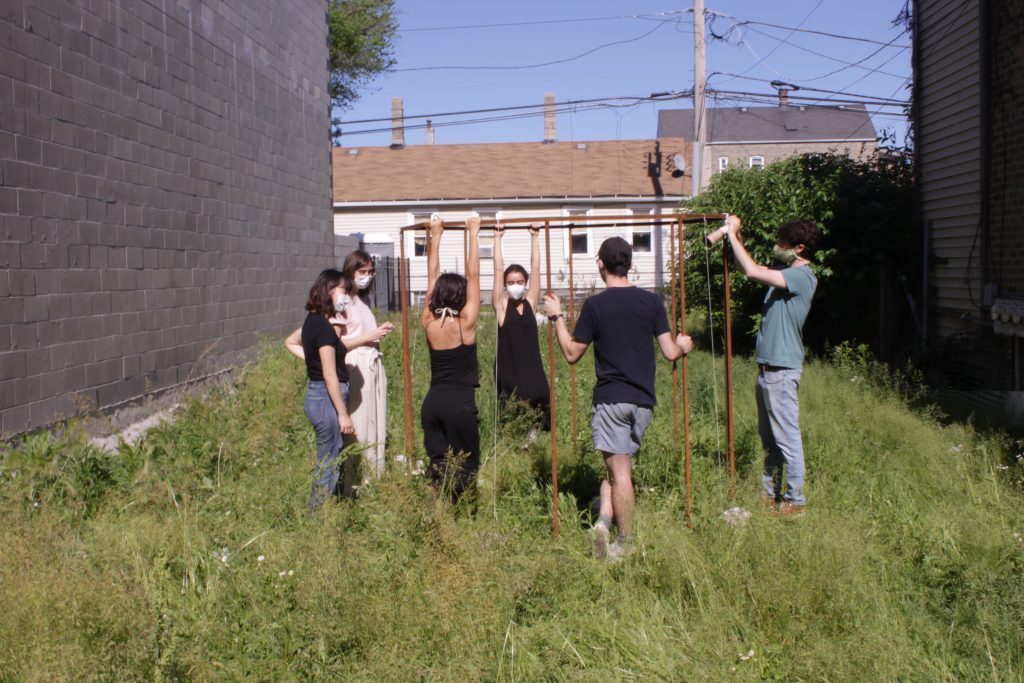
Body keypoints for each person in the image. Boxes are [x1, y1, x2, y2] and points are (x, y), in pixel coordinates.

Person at [544, 237, 693, 560]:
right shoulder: (652, 302)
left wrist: (556, 318)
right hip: (642, 402)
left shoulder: (596, 306)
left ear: (601, 264)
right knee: (616, 467)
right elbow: (670, 352)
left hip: (612, 400)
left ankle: (624, 544)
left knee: (620, 472)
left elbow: (571, 354)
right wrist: (683, 344)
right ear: (629, 264)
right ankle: (602, 522)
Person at [717, 214, 820, 516]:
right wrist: (732, 238)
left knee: (787, 437)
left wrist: (733, 233)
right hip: (768, 369)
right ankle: (769, 493)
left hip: (781, 370)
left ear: (799, 248)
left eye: (782, 243)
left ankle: (795, 501)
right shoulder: (785, 271)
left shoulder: (802, 276)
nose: (777, 247)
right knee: (770, 437)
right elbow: (749, 267)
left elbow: (750, 271)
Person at [284, 270, 392, 508]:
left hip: (318, 395)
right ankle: (318, 515)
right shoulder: (324, 328)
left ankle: (323, 510)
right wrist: (343, 413)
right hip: (325, 399)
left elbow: (291, 342)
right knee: (328, 465)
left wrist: (313, 360)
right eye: (343, 291)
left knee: (330, 459)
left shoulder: (312, 320)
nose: (346, 296)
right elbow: (330, 374)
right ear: (329, 291)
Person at [420, 213, 482, 503]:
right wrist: (473, 232)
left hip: (433, 403)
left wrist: (436, 235)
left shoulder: (429, 322)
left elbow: (432, 277)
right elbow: (474, 276)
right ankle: (462, 512)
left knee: (438, 466)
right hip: (459, 403)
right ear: (461, 297)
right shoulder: (465, 323)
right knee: (466, 465)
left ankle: (437, 512)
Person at [339, 250, 394, 493]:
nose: (367, 277)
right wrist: (370, 336)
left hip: (372, 360)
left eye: (370, 272)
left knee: (375, 418)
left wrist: (378, 333)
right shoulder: (342, 301)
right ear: (350, 272)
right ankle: (354, 480)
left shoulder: (364, 299)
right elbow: (339, 343)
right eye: (362, 272)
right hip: (355, 363)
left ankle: (373, 476)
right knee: (360, 421)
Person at [492, 223, 550, 431]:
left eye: (519, 281)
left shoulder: (531, 303)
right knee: (513, 401)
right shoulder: (501, 305)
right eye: (510, 282)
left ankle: (534, 434)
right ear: (505, 285)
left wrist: (534, 237)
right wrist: (498, 238)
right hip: (509, 365)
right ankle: (515, 435)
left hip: (531, 364)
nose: (515, 284)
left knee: (540, 394)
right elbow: (498, 268)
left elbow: (535, 268)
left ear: (525, 283)